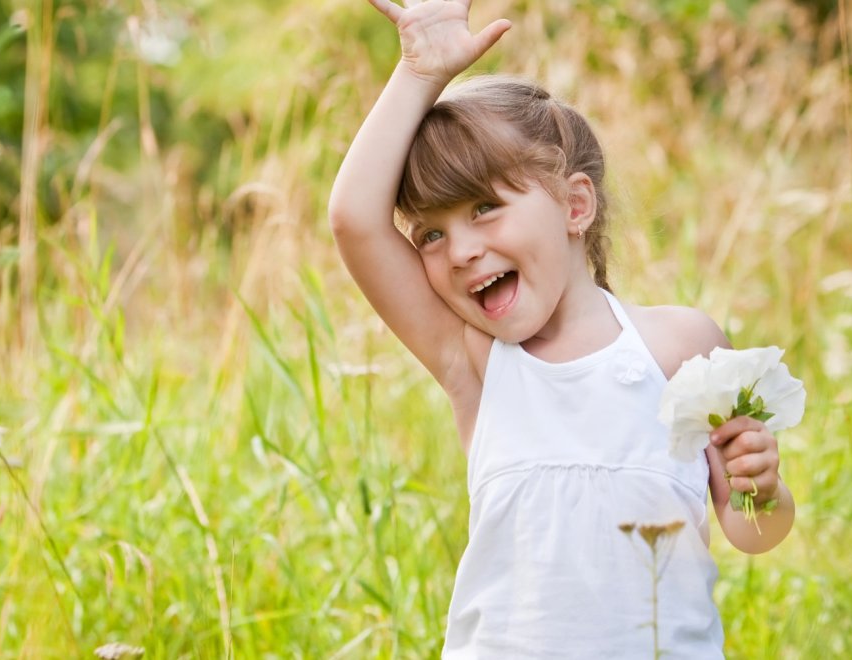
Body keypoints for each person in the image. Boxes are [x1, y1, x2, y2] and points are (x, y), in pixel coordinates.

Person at [328, 0, 796, 656]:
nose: (460, 250)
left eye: (485, 208)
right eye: (431, 232)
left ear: (575, 205)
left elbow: (753, 531)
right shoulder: (478, 364)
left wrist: (760, 489)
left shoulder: (683, 348)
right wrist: (417, 73)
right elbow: (354, 219)